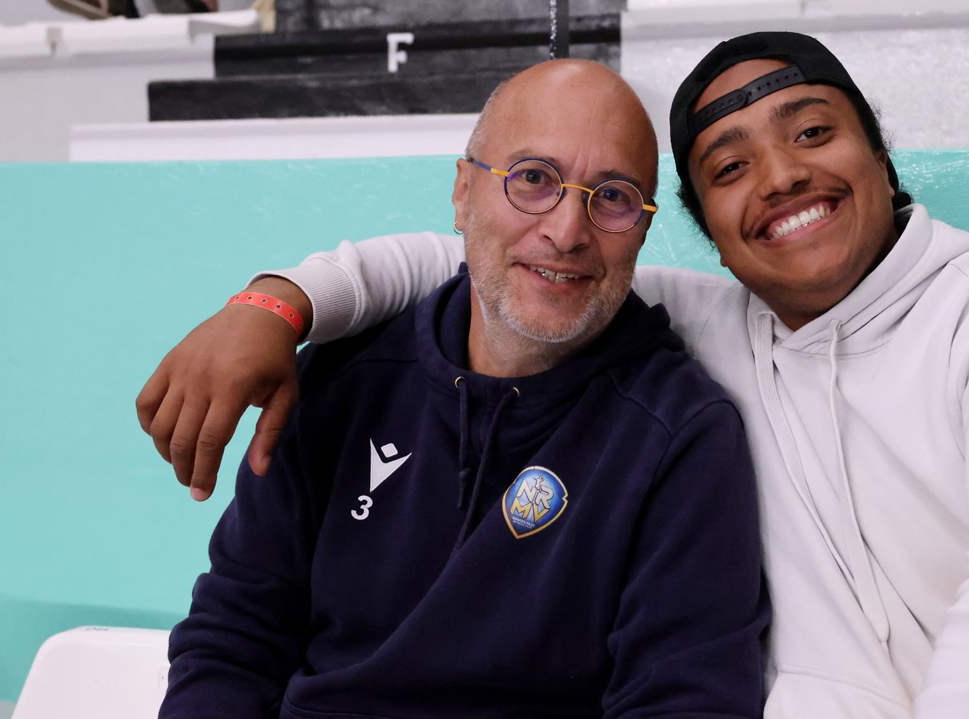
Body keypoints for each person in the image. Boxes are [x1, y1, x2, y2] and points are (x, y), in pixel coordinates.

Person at [139, 33, 969, 719]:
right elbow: (486, 270)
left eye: (811, 132)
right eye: (730, 167)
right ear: (709, 235)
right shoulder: (723, 320)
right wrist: (276, 303)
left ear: (878, 157)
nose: (781, 175)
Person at [156, 59, 769, 719]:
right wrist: (273, 302)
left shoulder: (680, 435)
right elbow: (235, 637)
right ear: (462, 192)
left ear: (642, 228)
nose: (567, 231)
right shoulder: (342, 380)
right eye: (534, 179)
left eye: (613, 195)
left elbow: (685, 702)